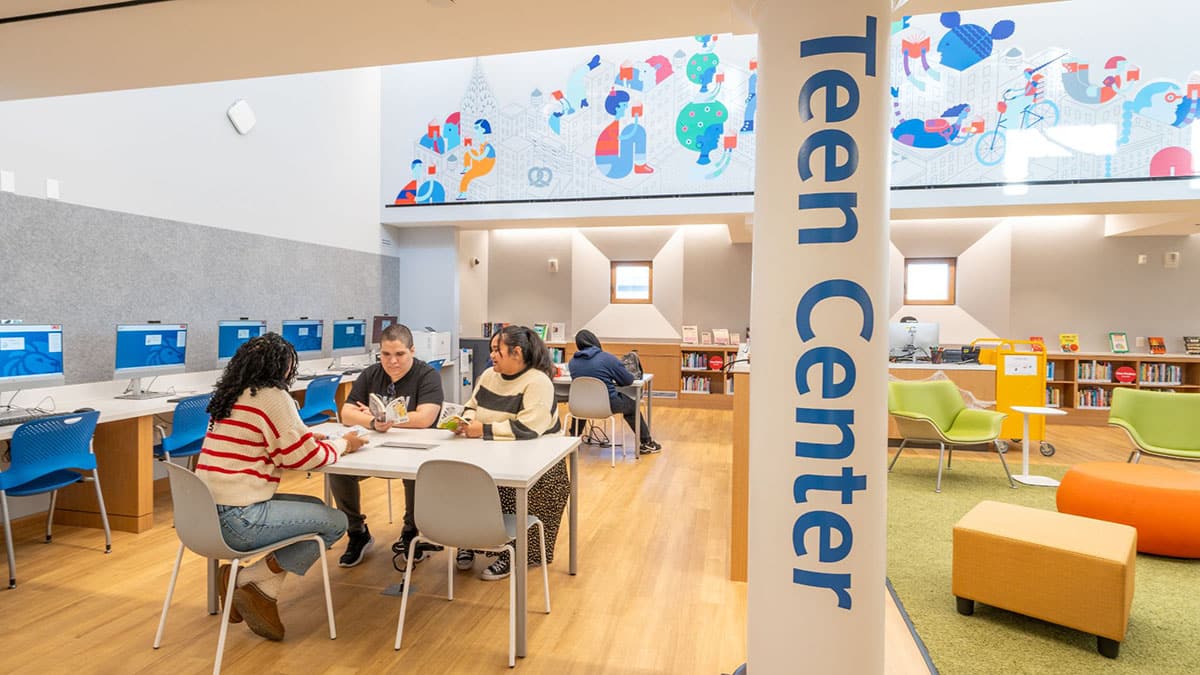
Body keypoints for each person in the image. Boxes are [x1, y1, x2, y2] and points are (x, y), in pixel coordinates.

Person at [196, 333, 366, 641]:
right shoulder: (273, 397)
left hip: (205, 514)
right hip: (240, 519)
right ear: (281, 368)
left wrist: (308, 440)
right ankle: (248, 579)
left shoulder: (230, 394)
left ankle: (258, 590)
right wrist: (345, 444)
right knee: (336, 522)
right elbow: (307, 459)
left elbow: (269, 446)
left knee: (316, 509)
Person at [453, 326, 567, 580]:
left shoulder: (538, 382)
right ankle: (468, 540)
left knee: (517, 491)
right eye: (492, 349)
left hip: (535, 462)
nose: (491, 355)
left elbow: (528, 428)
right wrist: (465, 421)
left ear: (516, 353)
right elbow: (471, 406)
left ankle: (515, 553)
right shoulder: (487, 376)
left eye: (497, 350)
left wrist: (480, 429)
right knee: (464, 480)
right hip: (489, 452)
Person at [331, 323, 444, 568]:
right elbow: (346, 411)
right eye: (386, 354)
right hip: (375, 447)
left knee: (417, 473)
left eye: (400, 354)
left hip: (415, 451)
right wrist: (373, 421)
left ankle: (411, 531)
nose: (392, 361)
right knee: (338, 468)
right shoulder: (371, 374)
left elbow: (425, 418)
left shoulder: (427, 376)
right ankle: (357, 532)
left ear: (412, 351)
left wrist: (386, 421)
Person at [567, 329, 661, 453]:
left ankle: (571, 442)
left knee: (582, 405)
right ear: (594, 340)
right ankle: (646, 442)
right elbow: (627, 380)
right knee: (633, 406)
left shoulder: (572, 362)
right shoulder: (607, 358)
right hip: (608, 404)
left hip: (581, 406)